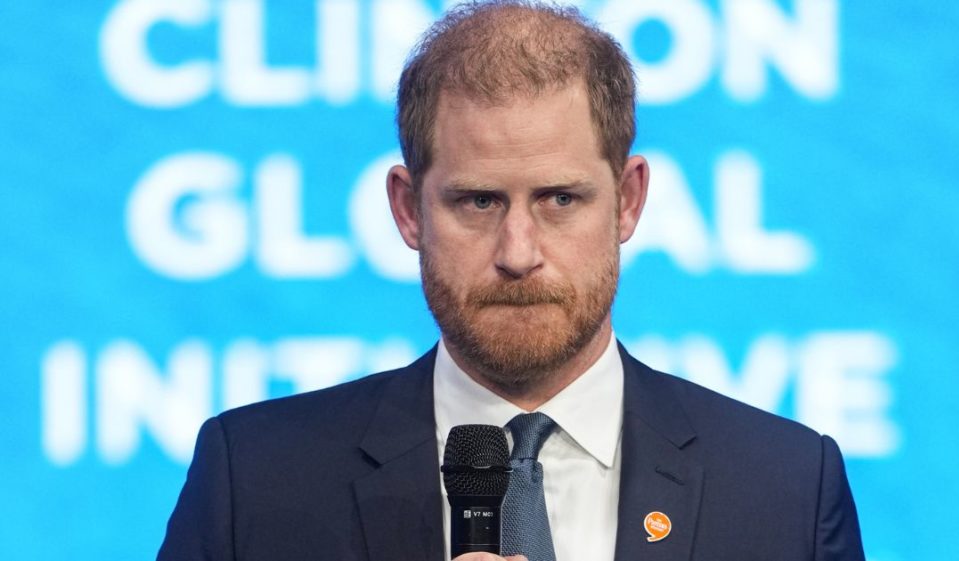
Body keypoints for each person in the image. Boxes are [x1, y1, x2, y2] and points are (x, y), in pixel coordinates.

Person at [157, 2, 864, 560]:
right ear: (408, 208)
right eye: (479, 201)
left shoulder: (784, 487)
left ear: (628, 200)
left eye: (560, 198)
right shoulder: (254, 482)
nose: (518, 252)